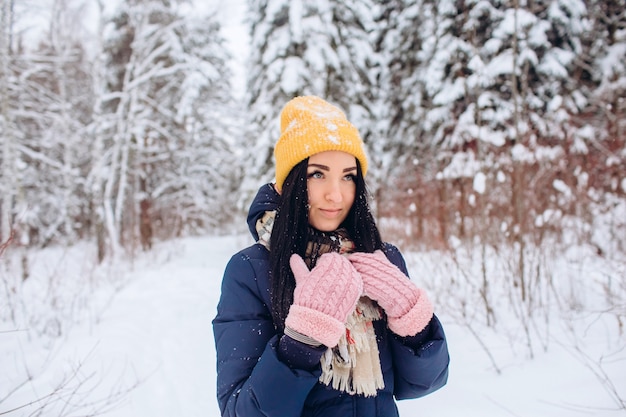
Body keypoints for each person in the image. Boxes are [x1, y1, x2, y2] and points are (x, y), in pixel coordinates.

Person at [212, 96, 449, 417]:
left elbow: (422, 384)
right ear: (290, 182)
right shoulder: (252, 270)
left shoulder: (383, 259)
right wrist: (301, 342)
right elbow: (239, 411)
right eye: (318, 174)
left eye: (348, 176)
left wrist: (412, 319)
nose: (335, 194)